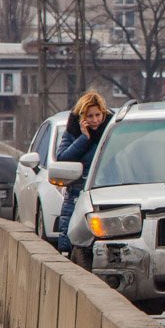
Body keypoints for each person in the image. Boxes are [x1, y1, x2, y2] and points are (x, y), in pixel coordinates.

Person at [55, 90, 113, 254]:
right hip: (77, 190)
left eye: (98, 115)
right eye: (90, 116)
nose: (95, 120)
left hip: (104, 189)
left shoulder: (111, 132)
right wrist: (84, 138)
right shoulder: (73, 132)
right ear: (82, 117)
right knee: (69, 241)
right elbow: (62, 157)